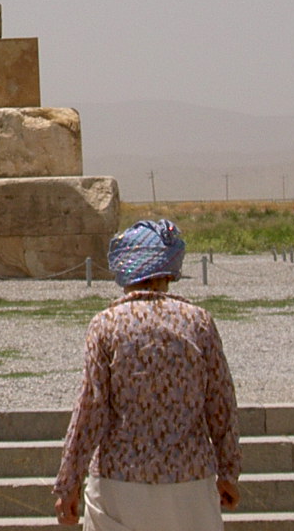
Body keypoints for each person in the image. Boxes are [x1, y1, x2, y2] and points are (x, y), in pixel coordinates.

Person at [54, 219, 242, 528]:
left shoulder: (106, 324)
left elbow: (90, 408)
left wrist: (68, 481)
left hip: (120, 479)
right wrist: (228, 471)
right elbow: (221, 403)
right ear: (168, 271)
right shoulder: (198, 322)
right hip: (189, 480)